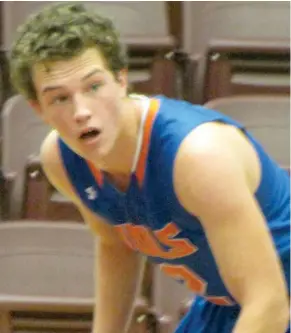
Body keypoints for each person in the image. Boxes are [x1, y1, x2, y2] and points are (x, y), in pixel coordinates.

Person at [9, 3, 290, 333]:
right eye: (59, 98)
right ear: (37, 109)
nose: (81, 111)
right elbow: (116, 245)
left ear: (122, 79)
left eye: (94, 86)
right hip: (227, 304)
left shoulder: (198, 157)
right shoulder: (61, 160)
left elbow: (269, 304)